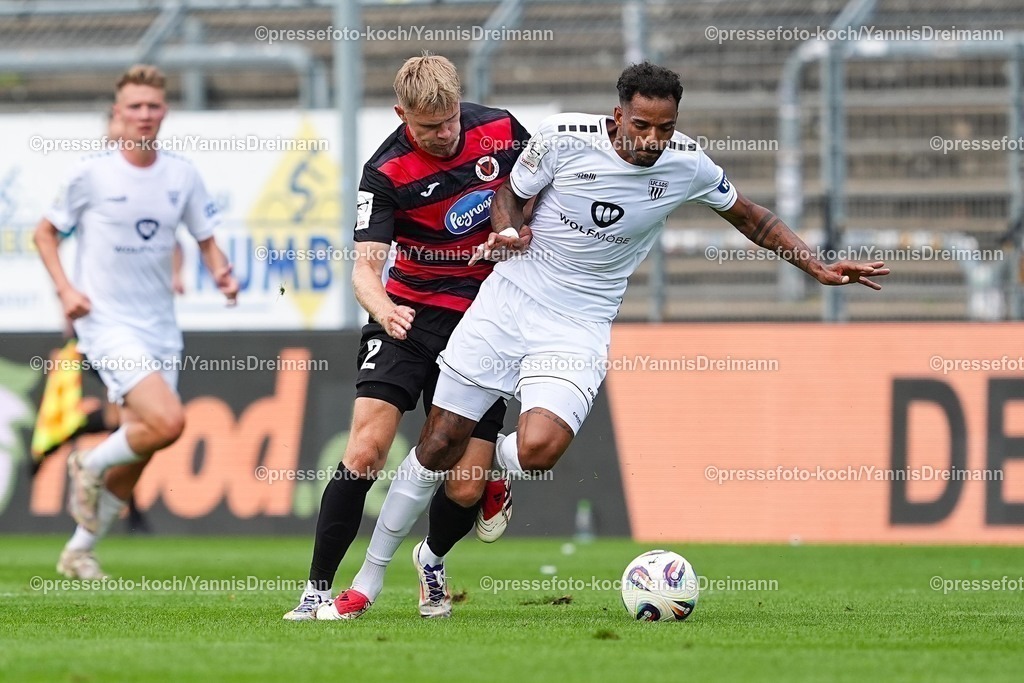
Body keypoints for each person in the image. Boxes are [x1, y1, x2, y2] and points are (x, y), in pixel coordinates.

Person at [323, 61, 891, 619]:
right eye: (641, 126)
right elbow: (510, 193)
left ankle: (477, 489)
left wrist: (815, 267)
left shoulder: (688, 164)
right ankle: (368, 582)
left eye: (664, 129)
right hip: (507, 304)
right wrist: (507, 230)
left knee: (538, 450)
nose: (652, 140)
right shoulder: (562, 139)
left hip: (579, 324)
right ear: (618, 116)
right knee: (441, 440)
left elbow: (750, 216)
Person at [285, 54, 531, 621]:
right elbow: (363, 270)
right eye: (428, 127)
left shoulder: (501, 130)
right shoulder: (384, 172)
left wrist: (516, 231)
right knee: (366, 449)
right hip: (408, 320)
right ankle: (317, 589)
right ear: (402, 115)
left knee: (467, 486)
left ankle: (433, 559)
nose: (444, 135)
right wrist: (386, 309)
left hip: (481, 327)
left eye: (449, 122)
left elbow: (537, 200)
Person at [33, 64, 238, 580]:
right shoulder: (91, 174)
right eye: (134, 106)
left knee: (144, 445)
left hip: (160, 328)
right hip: (105, 323)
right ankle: (88, 464)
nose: (144, 115)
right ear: (118, 114)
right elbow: (43, 233)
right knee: (168, 422)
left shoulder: (182, 174)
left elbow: (205, 237)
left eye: (152, 106)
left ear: (163, 112)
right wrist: (66, 290)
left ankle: (79, 549)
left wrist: (221, 275)